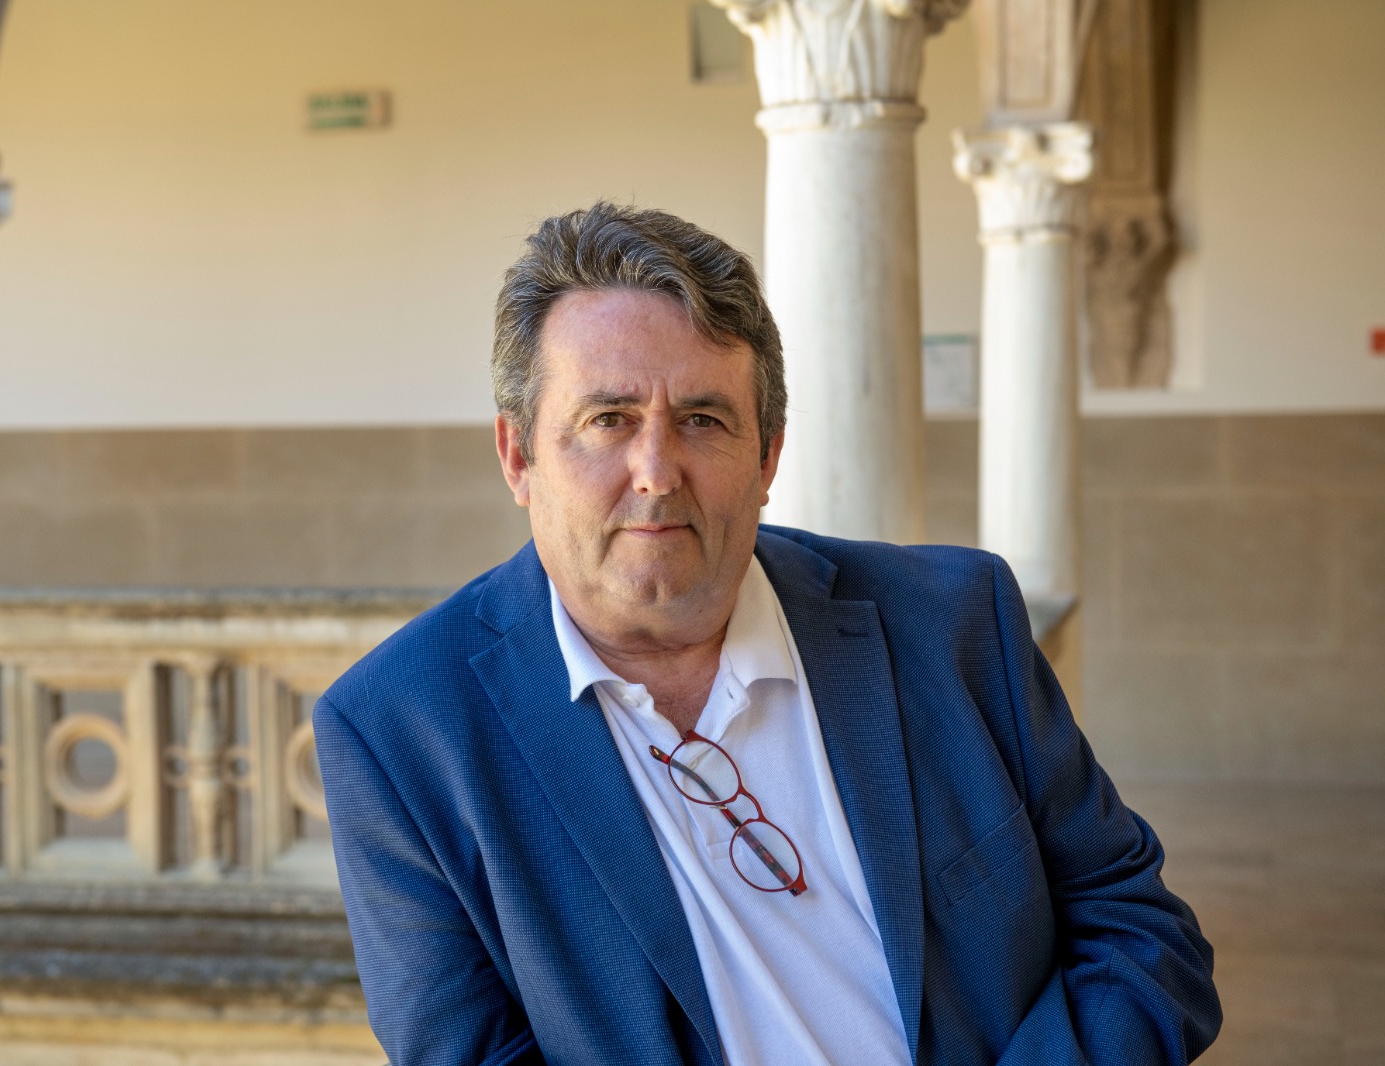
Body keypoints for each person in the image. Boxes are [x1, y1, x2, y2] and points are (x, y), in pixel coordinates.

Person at [312, 202, 1220, 1065]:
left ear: (768, 454)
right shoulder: (401, 731)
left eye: (702, 420)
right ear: (519, 455)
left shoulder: (951, 623)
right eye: (607, 419)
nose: (656, 472)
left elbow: (1139, 933)